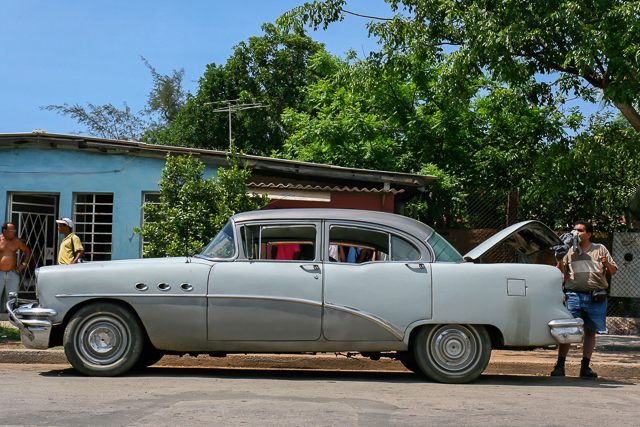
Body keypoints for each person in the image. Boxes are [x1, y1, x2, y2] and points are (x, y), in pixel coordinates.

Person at [551, 220, 617, 378]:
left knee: (590, 333)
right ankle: (560, 366)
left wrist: (606, 263)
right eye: (574, 230)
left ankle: (585, 367)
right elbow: (560, 273)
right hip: (574, 295)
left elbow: (613, 271)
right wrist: (560, 257)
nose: (576, 233)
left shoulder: (600, 249)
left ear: (589, 234)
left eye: (580, 231)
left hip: (596, 297)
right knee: (567, 331)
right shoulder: (569, 250)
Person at [1, 222, 31, 312]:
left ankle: (12, 317)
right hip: (0, 272)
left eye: (14, 229)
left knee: (13, 298)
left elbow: (27, 251)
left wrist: (23, 264)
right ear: (4, 231)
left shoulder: (17, 241)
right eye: (11, 229)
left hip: (12, 273)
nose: (14, 231)